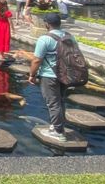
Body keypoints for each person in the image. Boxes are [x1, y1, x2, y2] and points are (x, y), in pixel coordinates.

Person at [27, 13, 72, 142]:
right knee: (60, 101)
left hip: (49, 75)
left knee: (53, 103)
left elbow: (37, 60)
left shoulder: (45, 39)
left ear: (47, 24)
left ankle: (58, 132)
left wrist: (32, 75)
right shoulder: (69, 36)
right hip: (66, 74)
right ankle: (58, 125)